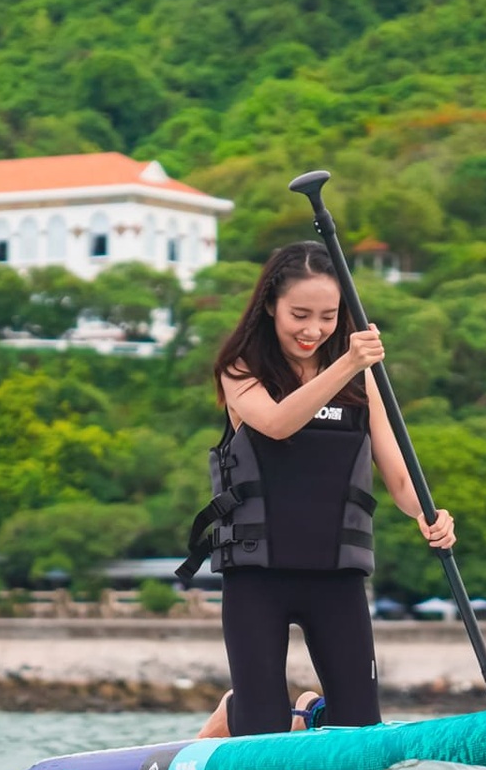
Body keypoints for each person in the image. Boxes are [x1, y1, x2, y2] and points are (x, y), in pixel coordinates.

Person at [176, 240, 454, 736]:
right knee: (262, 731)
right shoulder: (241, 369)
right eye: (299, 314)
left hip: (336, 574)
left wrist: (428, 515)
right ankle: (234, 712)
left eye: (328, 316)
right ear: (269, 306)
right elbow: (278, 424)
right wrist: (347, 363)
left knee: (360, 728)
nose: (313, 330)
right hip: (258, 576)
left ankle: (308, 712)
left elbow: (397, 474)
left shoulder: (362, 379)